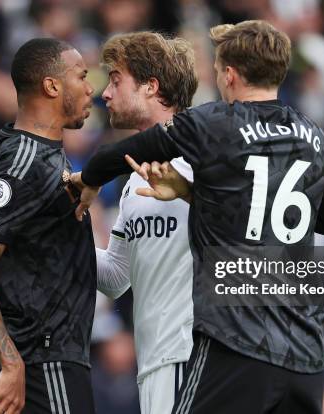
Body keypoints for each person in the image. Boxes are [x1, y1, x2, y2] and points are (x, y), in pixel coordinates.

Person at [73, 21, 324, 413]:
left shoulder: (210, 136)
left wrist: (85, 180)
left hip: (220, 351)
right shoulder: (315, 137)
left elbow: (112, 156)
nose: (105, 92)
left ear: (229, 74)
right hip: (300, 349)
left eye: (115, 80)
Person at [0, 37, 96, 414]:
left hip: (18, 367)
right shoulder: (26, 161)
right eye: (82, 76)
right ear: (52, 86)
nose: (91, 87)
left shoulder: (2, 151)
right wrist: (8, 361)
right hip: (41, 366)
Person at [95, 31, 198, 414]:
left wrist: (191, 191)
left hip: (191, 358)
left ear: (150, 87)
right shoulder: (135, 180)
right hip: (154, 362)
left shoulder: (203, 159)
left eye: (116, 80)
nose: (105, 93)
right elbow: (117, 276)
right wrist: (60, 237)